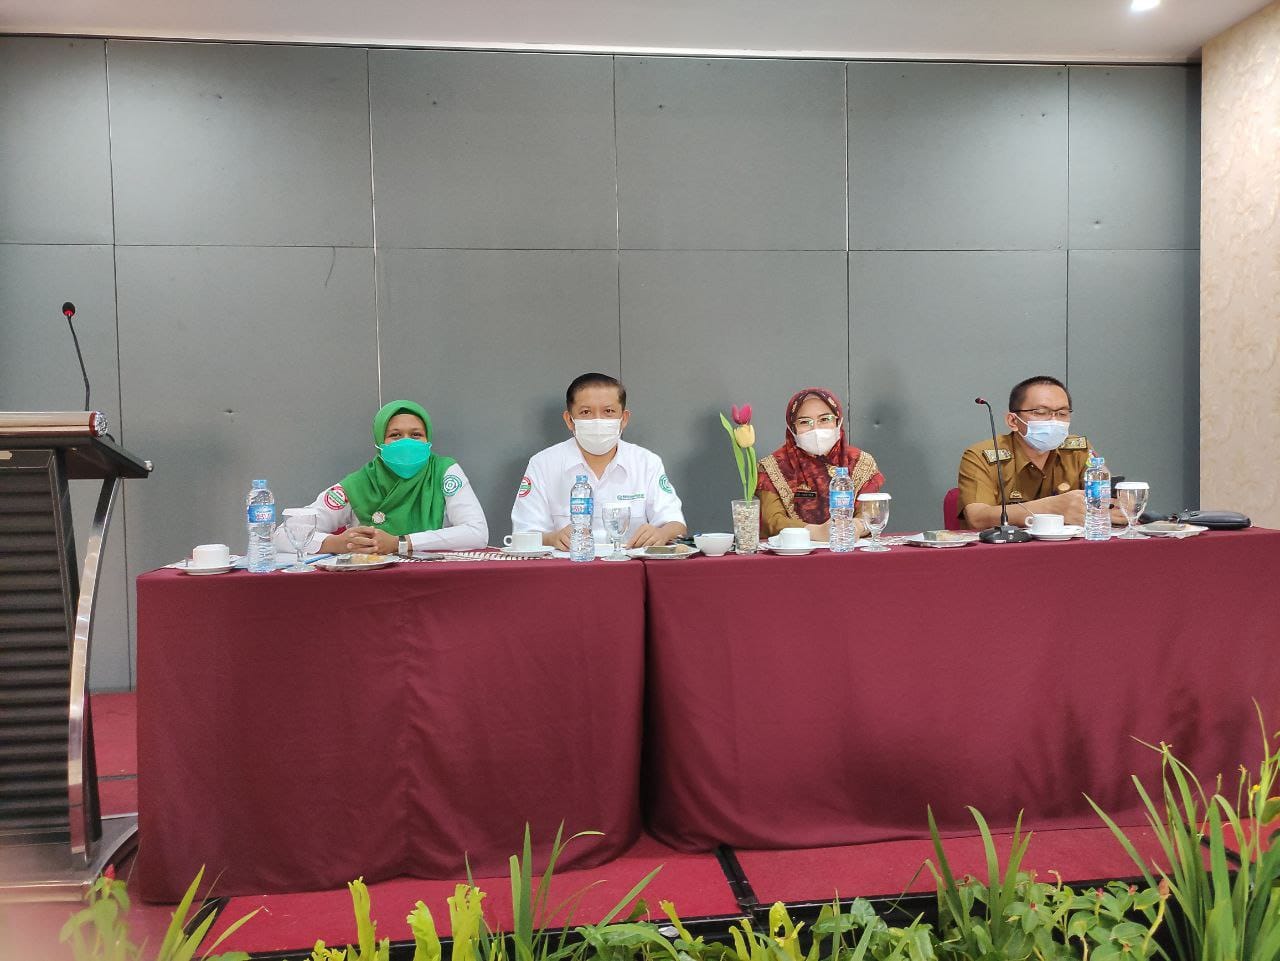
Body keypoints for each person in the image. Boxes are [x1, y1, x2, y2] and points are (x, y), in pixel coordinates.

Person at [275, 399, 487, 555]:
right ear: (379, 442)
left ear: (428, 439)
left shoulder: (444, 471)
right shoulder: (359, 484)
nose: (406, 442)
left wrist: (400, 543)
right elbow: (283, 534)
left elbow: (477, 533)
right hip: (372, 586)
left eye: (416, 435)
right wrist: (338, 543)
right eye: (395, 435)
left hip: (436, 582)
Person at [511, 372, 686, 550]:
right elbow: (524, 532)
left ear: (624, 419)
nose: (597, 421)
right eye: (586, 412)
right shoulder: (543, 464)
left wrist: (662, 534)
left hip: (627, 563)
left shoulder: (646, 462)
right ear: (569, 420)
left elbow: (675, 524)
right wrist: (553, 538)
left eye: (608, 411)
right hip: (567, 564)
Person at [957, 375, 1122, 530]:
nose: (1054, 421)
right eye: (1041, 412)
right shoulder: (981, 455)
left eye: (1062, 413)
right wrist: (1052, 508)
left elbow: (1110, 500)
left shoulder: (1078, 450)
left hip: (1067, 546)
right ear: (1013, 421)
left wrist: (1121, 505)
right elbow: (977, 517)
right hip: (1006, 547)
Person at [756, 387, 885, 540]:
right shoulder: (772, 467)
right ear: (792, 428)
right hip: (793, 552)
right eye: (805, 422)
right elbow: (772, 521)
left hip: (847, 548)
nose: (815, 429)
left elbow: (870, 512)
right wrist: (816, 532)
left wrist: (857, 526)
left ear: (838, 421)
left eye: (824, 419)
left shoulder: (860, 462)